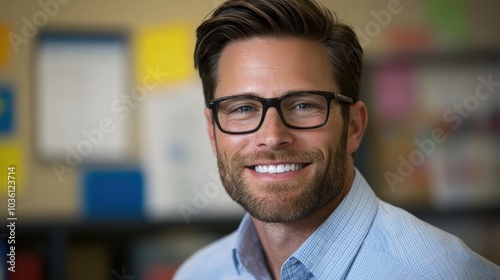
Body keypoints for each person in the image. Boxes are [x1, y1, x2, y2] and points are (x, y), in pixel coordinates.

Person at [174, 0, 500, 279]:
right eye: (243, 108)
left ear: (354, 127)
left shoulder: (444, 273)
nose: (272, 137)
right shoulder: (197, 273)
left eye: (303, 105)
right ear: (212, 131)